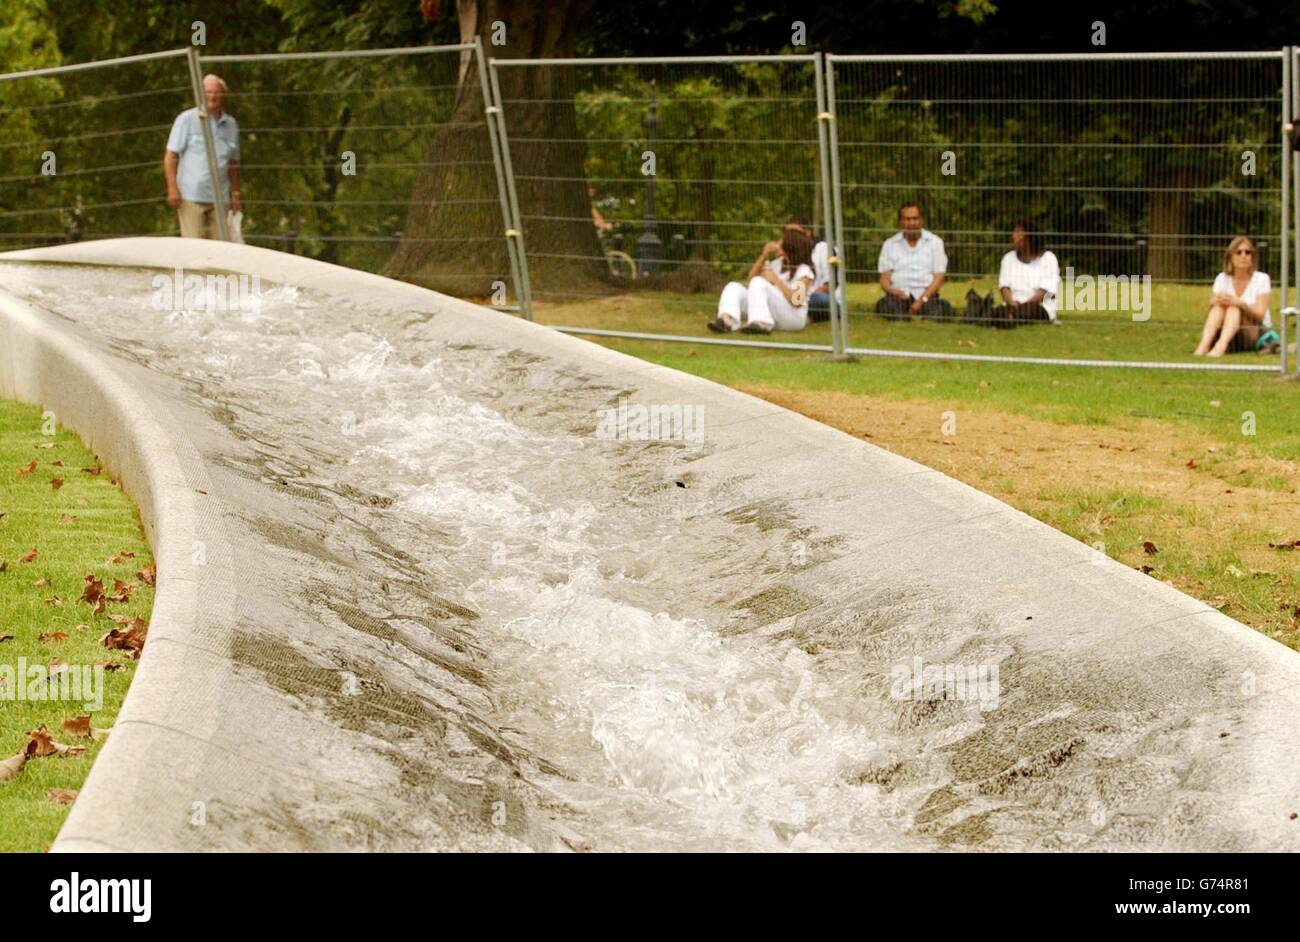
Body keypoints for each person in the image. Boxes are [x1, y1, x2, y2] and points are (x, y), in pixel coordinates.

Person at [164, 74, 241, 239]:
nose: (212, 96)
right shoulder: (187, 119)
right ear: (200, 94)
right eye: (208, 92)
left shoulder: (231, 125)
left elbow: (233, 163)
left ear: (223, 95)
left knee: (220, 249)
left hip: (221, 198)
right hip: (191, 196)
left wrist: (235, 195)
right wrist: (172, 189)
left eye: (216, 92)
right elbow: (170, 156)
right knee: (195, 249)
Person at [707, 226, 816, 334]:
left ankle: (761, 323)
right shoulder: (778, 264)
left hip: (793, 317)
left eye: (781, 240)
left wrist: (776, 280)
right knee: (734, 286)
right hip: (774, 312)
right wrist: (764, 255)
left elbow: (797, 301)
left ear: (790, 246)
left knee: (759, 282)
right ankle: (726, 320)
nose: (777, 243)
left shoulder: (804, 271)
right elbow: (751, 280)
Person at [1193, 236, 1278, 356]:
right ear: (1230, 257)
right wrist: (1213, 302)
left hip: (1254, 331)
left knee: (1234, 308)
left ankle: (1220, 347)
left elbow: (1260, 315)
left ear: (1252, 257)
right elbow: (1211, 313)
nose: (1243, 256)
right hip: (1227, 330)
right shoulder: (1222, 278)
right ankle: (1203, 346)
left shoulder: (1262, 279)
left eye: (1247, 252)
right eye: (1238, 252)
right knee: (1218, 307)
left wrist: (1241, 304)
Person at [969, 220, 1060, 327]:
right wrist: (1011, 302)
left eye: (1018, 233)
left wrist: (1023, 305)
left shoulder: (1049, 258)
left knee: (1030, 310)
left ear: (1029, 238)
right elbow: (1004, 288)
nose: (1013, 236)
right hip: (1012, 305)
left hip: (1038, 306)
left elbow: (1044, 292)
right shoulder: (1008, 258)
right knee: (1002, 309)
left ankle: (1004, 318)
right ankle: (1005, 317)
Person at [876, 202, 951, 320]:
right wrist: (891, 290)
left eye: (915, 218)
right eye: (907, 219)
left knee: (943, 309)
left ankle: (916, 313)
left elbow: (939, 278)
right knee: (885, 305)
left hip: (926, 296)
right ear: (900, 222)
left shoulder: (935, 242)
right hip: (899, 297)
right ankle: (903, 316)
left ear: (921, 220)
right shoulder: (889, 244)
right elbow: (884, 277)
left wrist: (921, 301)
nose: (911, 223)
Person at [785, 216, 842, 324]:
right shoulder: (789, 251)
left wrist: (802, 297)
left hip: (820, 298)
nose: (789, 236)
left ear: (807, 232)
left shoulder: (825, 248)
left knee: (820, 300)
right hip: (797, 298)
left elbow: (831, 284)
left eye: (793, 233)